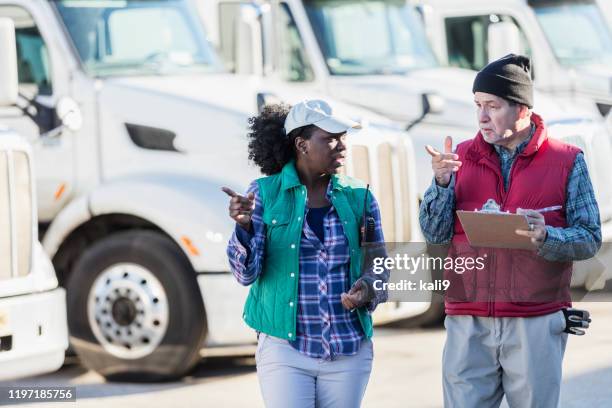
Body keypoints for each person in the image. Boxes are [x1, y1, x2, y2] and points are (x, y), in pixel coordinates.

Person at [419, 54, 602, 407]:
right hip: (468, 321)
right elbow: (434, 233)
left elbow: (590, 237)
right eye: (477, 105)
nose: (482, 117)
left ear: (522, 109)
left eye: (493, 105)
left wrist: (548, 237)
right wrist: (440, 184)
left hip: (535, 321)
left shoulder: (567, 161)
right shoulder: (458, 157)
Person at [223, 99, 388, 408]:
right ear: (302, 144)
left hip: (348, 347)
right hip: (285, 349)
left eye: (343, 137)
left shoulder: (359, 196)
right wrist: (244, 227)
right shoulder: (263, 194)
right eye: (329, 138)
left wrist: (366, 289)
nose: (341, 146)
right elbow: (245, 274)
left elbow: (378, 266)